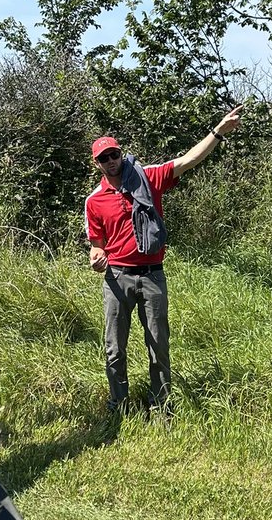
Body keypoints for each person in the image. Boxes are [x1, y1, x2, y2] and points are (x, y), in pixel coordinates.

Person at [85, 107, 243, 413]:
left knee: (158, 344)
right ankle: (118, 405)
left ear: (121, 154)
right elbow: (96, 245)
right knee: (114, 348)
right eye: (103, 158)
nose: (111, 161)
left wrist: (217, 132)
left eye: (114, 154)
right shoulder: (94, 200)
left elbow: (187, 160)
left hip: (152, 275)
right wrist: (96, 258)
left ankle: (161, 406)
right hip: (117, 278)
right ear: (97, 164)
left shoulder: (148, 178)